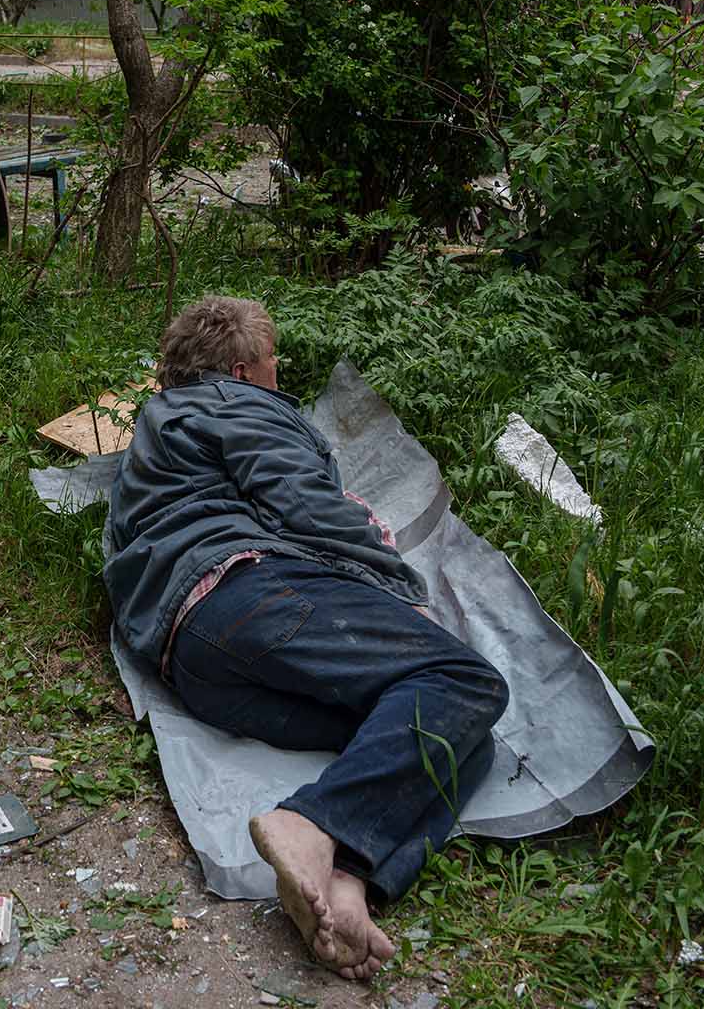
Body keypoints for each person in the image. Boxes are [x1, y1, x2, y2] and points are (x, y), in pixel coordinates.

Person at [102, 297, 508, 981]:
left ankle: (346, 874)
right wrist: (402, 590)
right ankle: (305, 821)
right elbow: (302, 500)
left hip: (198, 660)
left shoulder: (162, 429)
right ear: (241, 368)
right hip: (246, 593)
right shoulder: (239, 403)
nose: (277, 373)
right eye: (273, 362)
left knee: (457, 738)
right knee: (464, 681)